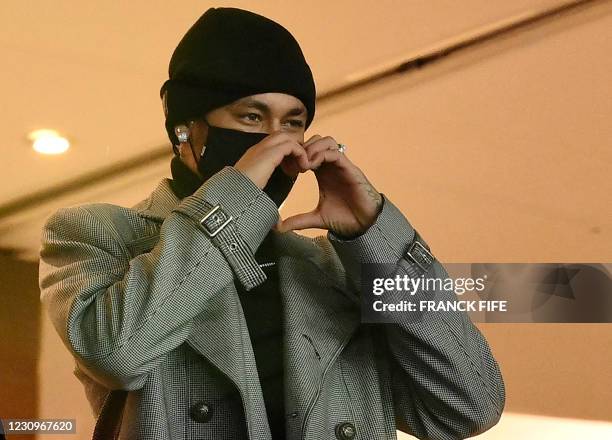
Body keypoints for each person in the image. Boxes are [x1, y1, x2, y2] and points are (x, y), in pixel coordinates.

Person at [38, 7, 505, 440]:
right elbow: (118, 354)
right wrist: (235, 198)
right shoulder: (99, 235)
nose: (276, 142)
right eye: (250, 116)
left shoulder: (333, 269)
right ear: (184, 130)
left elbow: (469, 405)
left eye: (292, 123)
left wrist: (375, 235)